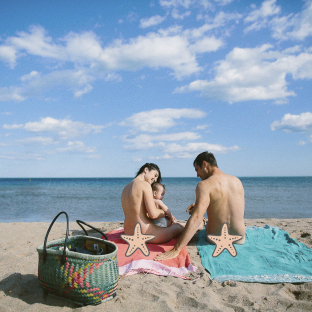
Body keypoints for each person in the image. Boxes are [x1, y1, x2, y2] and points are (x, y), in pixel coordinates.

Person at [154, 151, 246, 260]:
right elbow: (225, 205)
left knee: (200, 222)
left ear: (205, 164)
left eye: (197, 170)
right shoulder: (237, 181)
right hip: (240, 237)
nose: (197, 175)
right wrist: (198, 205)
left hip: (216, 238)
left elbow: (196, 218)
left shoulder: (204, 185)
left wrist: (176, 250)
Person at [121, 163, 184, 244]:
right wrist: (165, 213)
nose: (155, 179)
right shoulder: (145, 184)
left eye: (156, 178)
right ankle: (199, 224)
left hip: (128, 232)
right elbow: (153, 214)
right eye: (155, 175)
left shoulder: (126, 187)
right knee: (178, 227)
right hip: (143, 232)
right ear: (146, 170)